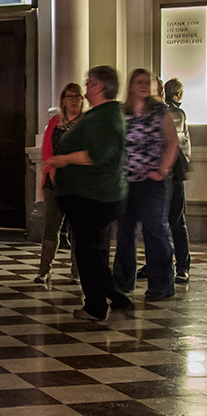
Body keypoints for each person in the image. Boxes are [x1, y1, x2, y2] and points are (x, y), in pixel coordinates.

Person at [47, 65, 130, 324]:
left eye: (89, 82)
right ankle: (97, 304)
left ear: (100, 86)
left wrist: (63, 159)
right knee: (90, 253)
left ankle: (113, 301)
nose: (85, 88)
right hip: (90, 197)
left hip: (94, 198)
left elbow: (98, 154)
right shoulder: (101, 115)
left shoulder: (105, 117)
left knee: (90, 255)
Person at [112, 68, 179, 302]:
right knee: (125, 233)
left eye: (147, 82)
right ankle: (122, 282)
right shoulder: (124, 111)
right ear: (131, 85)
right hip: (127, 181)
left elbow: (172, 142)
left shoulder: (159, 110)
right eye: (139, 82)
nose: (143, 86)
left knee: (155, 231)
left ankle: (161, 284)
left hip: (152, 183)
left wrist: (162, 170)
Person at [36, 83, 83, 288]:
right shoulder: (55, 122)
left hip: (79, 184)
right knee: (51, 226)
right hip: (53, 181)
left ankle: (77, 271)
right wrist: (54, 175)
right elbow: (47, 151)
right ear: (63, 100)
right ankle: (44, 270)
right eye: (69, 96)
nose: (73, 100)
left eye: (77, 97)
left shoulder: (86, 123)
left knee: (77, 229)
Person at [165, 77, 192, 283]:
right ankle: (182, 266)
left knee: (161, 223)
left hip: (162, 175)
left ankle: (162, 264)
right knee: (177, 222)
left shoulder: (161, 113)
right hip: (174, 177)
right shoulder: (179, 114)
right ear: (179, 94)